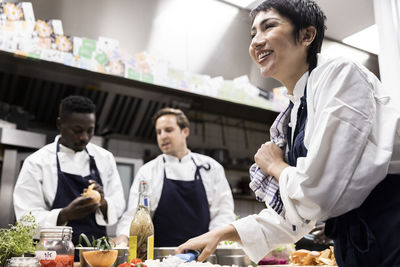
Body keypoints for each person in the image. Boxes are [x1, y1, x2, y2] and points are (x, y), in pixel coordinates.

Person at [176, 0, 400, 266]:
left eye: (268, 26)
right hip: (355, 242)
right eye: (252, 34)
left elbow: (319, 193)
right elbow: (296, 213)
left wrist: (275, 166)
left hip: (391, 229)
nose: (256, 42)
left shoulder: (341, 75)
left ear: (307, 35)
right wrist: (221, 233)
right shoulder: (293, 114)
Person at [13, 95, 125, 251]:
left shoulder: (104, 158)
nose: (84, 137)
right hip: (53, 256)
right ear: (60, 123)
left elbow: (119, 203)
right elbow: (26, 219)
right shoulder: (37, 162)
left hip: (96, 255)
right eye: (77, 130)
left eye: (90, 130)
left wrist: (103, 202)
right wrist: (64, 215)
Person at [113, 107, 235, 247]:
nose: (162, 136)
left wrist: (213, 242)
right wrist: (124, 236)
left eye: (168, 130)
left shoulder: (211, 168)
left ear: (185, 131)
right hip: (160, 257)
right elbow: (135, 214)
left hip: (202, 256)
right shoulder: (148, 171)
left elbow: (223, 213)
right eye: (159, 132)